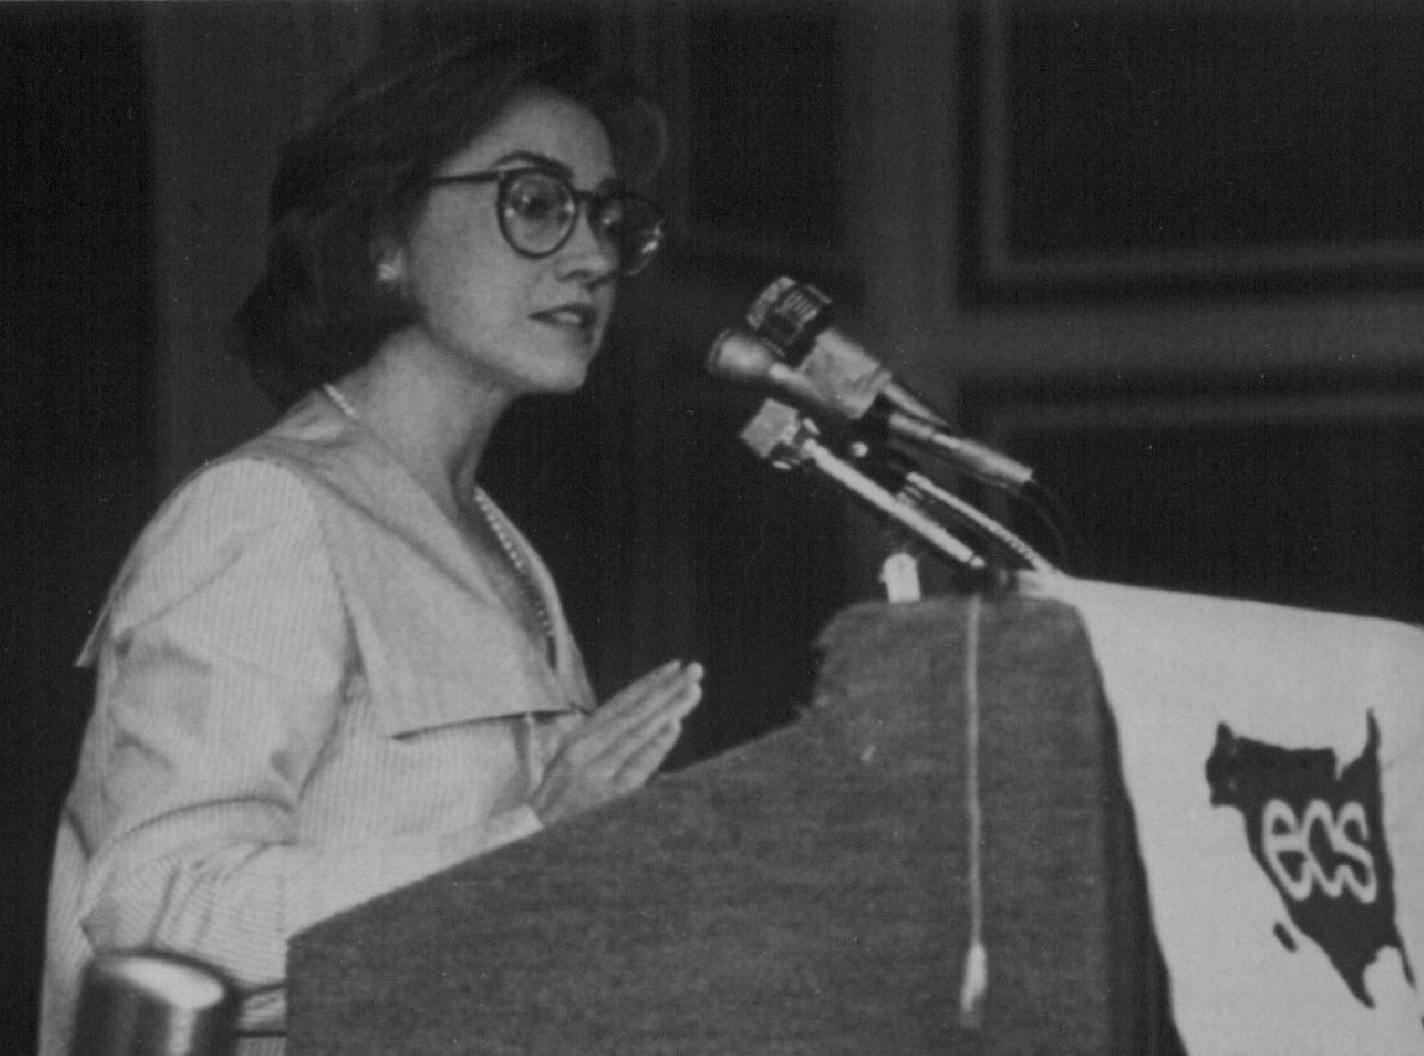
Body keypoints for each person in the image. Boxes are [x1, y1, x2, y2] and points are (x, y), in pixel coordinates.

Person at [39, 36, 703, 1056]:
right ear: (382, 240)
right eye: (535, 203)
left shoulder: (504, 549)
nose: (593, 256)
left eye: (609, 217)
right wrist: (524, 849)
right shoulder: (266, 514)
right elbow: (158, 918)